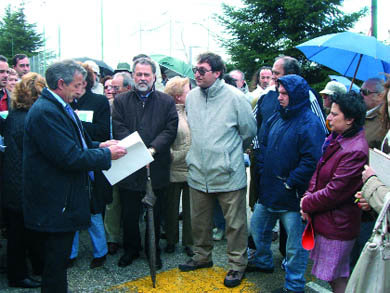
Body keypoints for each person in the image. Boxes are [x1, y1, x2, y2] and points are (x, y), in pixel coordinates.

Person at [22, 60, 127, 293]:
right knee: (55, 266)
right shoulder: (47, 112)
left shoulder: (58, 106)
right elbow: (70, 157)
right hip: (55, 204)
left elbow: (73, 143)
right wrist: (106, 154)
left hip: (61, 201)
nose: (81, 90)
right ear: (61, 84)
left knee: (57, 266)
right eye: (78, 85)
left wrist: (99, 143)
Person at [178, 52, 256, 288]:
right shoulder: (191, 97)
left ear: (217, 72)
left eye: (202, 70)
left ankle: (237, 265)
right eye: (195, 70)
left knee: (235, 224)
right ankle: (202, 257)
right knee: (199, 221)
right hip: (198, 171)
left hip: (228, 172)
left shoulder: (235, 97)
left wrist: (227, 154)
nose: (197, 74)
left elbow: (249, 132)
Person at [249, 75, 325, 293]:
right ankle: (263, 262)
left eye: (284, 94)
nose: (279, 97)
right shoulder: (277, 116)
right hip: (270, 190)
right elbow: (263, 144)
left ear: (297, 95)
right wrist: (264, 170)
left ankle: (294, 286)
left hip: (292, 197)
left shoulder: (310, 123)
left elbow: (313, 160)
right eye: (279, 92)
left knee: (295, 247)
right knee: (258, 228)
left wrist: (291, 183)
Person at [112, 57, 178, 269]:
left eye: (146, 74)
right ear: (132, 76)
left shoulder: (166, 101)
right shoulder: (121, 101)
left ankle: (153, 251)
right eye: (138, 74)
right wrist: (138, 151)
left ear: (154, 77)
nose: (142, 78)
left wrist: (152, 149)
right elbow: (118, 127)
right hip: (130, 165)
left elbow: (170, 129)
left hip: (156, 165)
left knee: (155, 214)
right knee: (129, 214)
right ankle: (131, 249)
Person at [300, 91, 368, 293]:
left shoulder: (355, 149)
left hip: (338, 225)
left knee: (337, 277)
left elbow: (334, 192)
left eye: (334, 114)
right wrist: (308, 194)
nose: (328, 117)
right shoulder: (337, 138)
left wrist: (306, 203)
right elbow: (319, 169)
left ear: (350, 120)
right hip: (327, 219)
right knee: (333, 276)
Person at [2, 72, 46, 289]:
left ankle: (27, 270)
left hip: (12, 183)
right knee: (20, 235)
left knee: (18, 232)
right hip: (22, 185)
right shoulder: (30, 119)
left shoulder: (14, 115)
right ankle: (18, 275)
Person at [68, 62, 112, 269]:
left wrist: (77, 123)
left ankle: (100, 251)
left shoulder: (99, 101)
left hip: (92, 161)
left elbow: (102, 132)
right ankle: (71, 253)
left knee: (94, 209)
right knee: (73, 208)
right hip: (71, 162)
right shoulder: (65, 103)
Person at [163, 76, 194, 257]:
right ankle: (171, 240)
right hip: (174, 167)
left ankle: (189, 241)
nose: (191, 92)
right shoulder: (168, 113)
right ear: (178, 95)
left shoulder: (192, 110)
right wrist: (173, 156)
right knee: (171, 208)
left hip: (191, 168)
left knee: (191, 209)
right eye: (187, 89)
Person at [356, 78, 390, 214]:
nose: (360, 95)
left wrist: (371, 184)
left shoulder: (381, 127)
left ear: (379, 96)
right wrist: (371, 196)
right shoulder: (387, 133)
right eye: (389, 104)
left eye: (365, 92)